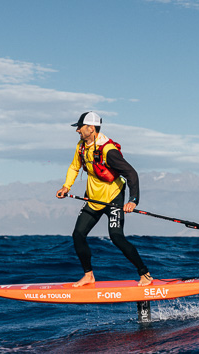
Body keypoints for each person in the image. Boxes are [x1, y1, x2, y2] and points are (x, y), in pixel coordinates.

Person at [56, 111, 152, 287]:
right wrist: (66, 186)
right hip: (93, 199)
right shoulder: (81, 146)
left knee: (116, 237)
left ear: (91, 128)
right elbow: (74, 167)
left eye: (80, 127)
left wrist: (133, 200)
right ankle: (88, 276)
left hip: (113, 197)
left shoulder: (108, 150)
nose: (77, 130)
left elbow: (131, 173)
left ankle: (144, 274)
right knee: (78, 235)